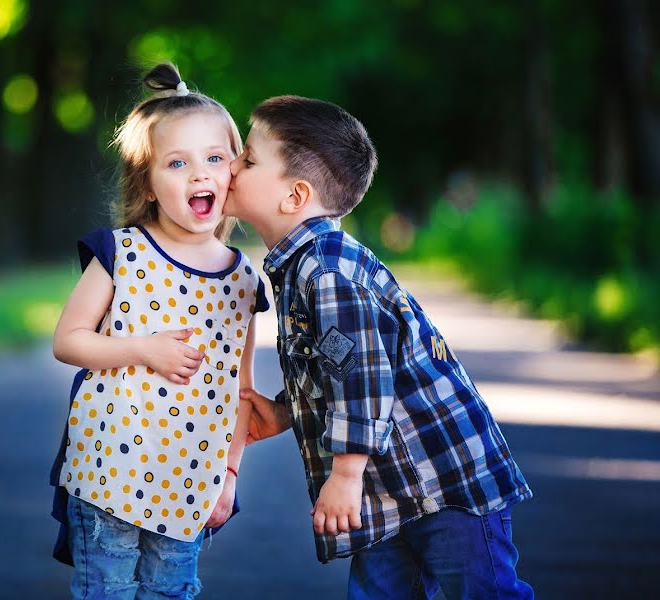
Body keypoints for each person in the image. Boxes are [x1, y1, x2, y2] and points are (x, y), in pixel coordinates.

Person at [226, 95, 534, 599]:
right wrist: (286, 411)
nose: (232, 166)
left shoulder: (325, 271)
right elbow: (336, 363)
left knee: (479, 591)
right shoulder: (305, 264)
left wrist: (344, 476)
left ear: (295, 195)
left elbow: (362, 378)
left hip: (442, 482)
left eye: (249, 160)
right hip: (388, 489)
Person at [47, 63, 268, 599]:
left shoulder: (243, 280)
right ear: (147, 182)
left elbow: (240, 392)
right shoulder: (122, 253)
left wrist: (230, 475)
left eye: (215, 159)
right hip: (111, 475)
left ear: (234, 172)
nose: (200, 175)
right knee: (108, 591)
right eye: (177, 163)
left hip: (188, 483)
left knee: (172, 591)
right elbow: (68, 340)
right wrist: (142, 349)